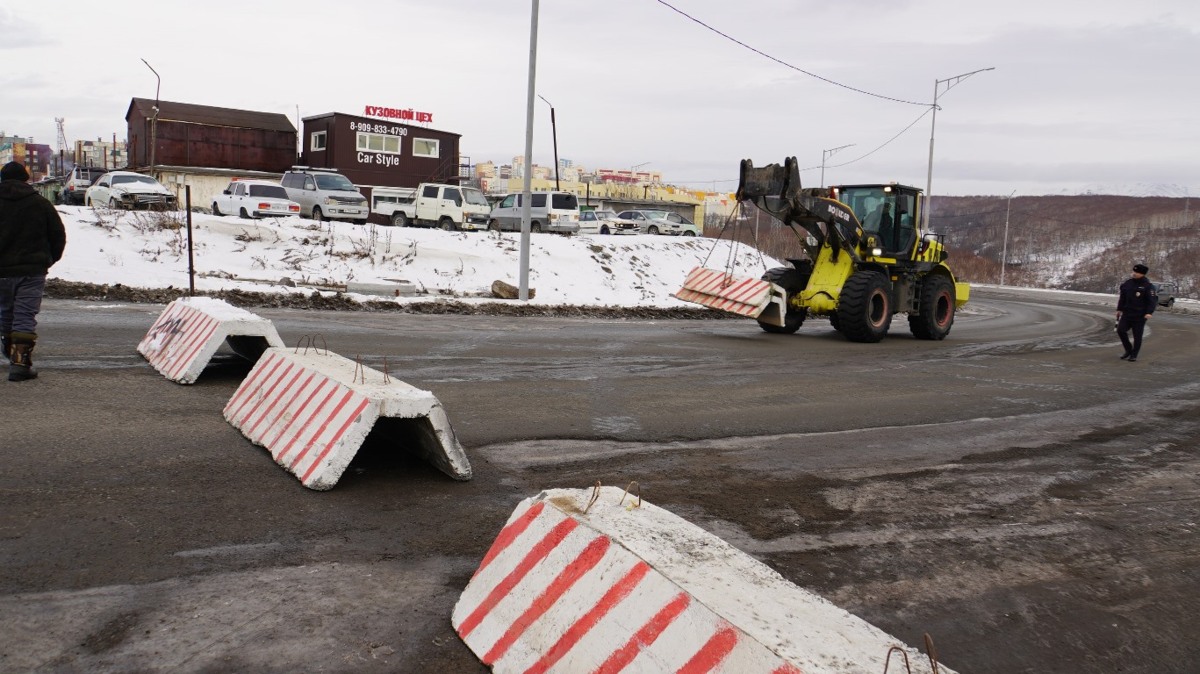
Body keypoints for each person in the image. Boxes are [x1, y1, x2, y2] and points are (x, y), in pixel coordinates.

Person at [0, 161, 67, 381]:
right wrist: (47, 261)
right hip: (31, 271)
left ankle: (10, 351)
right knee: (24, 315)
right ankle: (20, 363)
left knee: (5, 313)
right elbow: (57, 235)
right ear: (25, 179)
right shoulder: (40, 204)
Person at [1115, 263, 1156, 362]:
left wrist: (1149, 312)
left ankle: (1134, 354)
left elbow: (1152, 300)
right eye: (1134, 271)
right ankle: (1128, 350)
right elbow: (1122, 298)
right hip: (1127, 313)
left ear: (1142, 274)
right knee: (1120, 330)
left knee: (1137, 336)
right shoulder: (1128, 283)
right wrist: (1119, 309)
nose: (1134, 273)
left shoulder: (1148, 286)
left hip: (1140, 315)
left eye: (1136, 272)